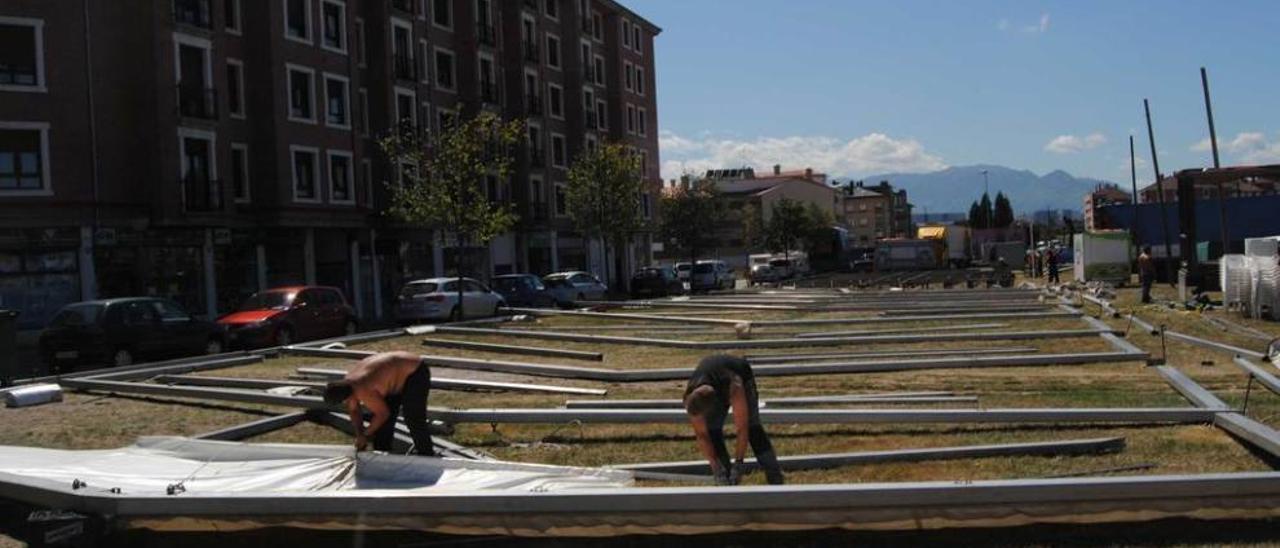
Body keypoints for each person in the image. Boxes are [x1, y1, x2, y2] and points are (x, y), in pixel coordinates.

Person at [683, 355, 784, 485]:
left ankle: (774, 475)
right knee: (712, 431)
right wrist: (716, 468)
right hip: (713, 379)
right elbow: (702, 435)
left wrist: (739, 464)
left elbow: (742, 427)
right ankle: (725, 477)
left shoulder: (733, 385)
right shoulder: (691, 397)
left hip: (740, 371)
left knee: (753, 428)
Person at [323, 351, 435, 456]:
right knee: (383, 423)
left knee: (413, 418)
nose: (347, 403)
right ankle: (381, 453)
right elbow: (354, 410)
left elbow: (382, 414)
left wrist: (366, 435)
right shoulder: (348, 384)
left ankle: (426, 453)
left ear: (349, 395)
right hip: (393, 377)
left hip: (415, 371)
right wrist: (359, 434)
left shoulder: (364, 389)